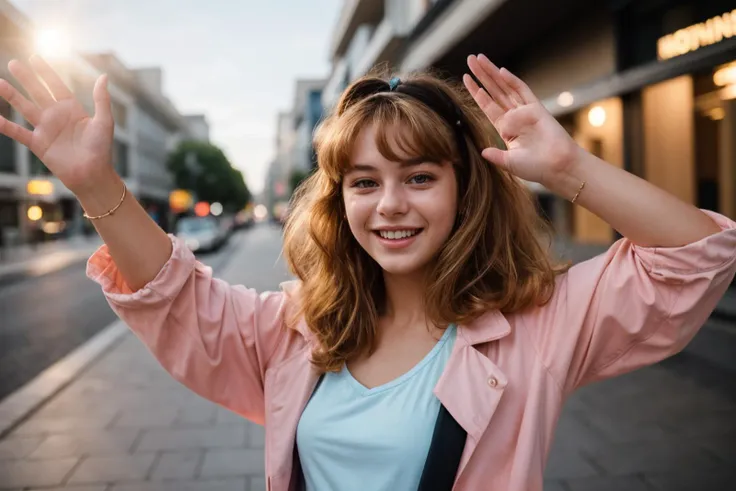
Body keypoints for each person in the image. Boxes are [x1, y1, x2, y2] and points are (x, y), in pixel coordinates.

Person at [0, 54, 734, 491]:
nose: (390, 206)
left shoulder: (538, 324)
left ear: (462, 186)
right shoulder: (297, 329)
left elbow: (694, 258)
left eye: (419, 177)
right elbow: (180, 297)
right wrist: (98, 186)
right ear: (339, 197)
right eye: (363, 182)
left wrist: (572, 169)